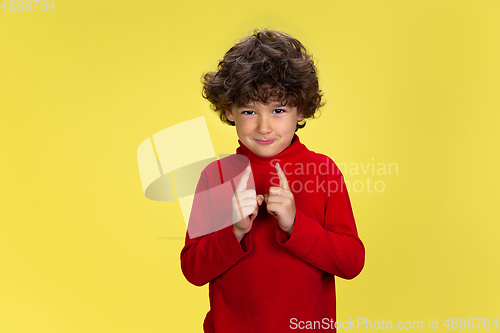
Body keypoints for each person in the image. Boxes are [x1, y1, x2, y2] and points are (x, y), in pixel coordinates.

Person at [180, 29, 365, 333]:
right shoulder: (216, 177)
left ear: (300, 109)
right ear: (229, 111)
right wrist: (235, 230)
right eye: (249, 111)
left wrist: (296, 225)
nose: (264, 126)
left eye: (278, 110)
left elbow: (351, 262)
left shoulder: (323, 171)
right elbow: (193, 270)